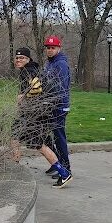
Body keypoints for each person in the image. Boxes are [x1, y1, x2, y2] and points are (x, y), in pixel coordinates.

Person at [11, 47, 73, 189]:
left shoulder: (29, 71)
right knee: (18, 137)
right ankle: (15, 168)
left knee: (37, 143)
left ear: (28, 59)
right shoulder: (30, 69)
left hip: (36, 113)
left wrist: (23, 96)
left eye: (22, 58)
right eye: (17, 58)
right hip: (35, 112)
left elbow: (37, 88)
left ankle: (64, 173)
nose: (19, 60)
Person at [43, 35, 72, 186]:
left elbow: (59, 87)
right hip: (49, 105)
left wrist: (50, 102)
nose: (50, 50)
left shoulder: (60, 64)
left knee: (59, 137)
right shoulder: (50, 63)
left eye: (53, 48)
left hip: (58, 106)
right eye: (48, 48)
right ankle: (55, 163)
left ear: (58, 48)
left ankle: (65, 168)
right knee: (46, 135)